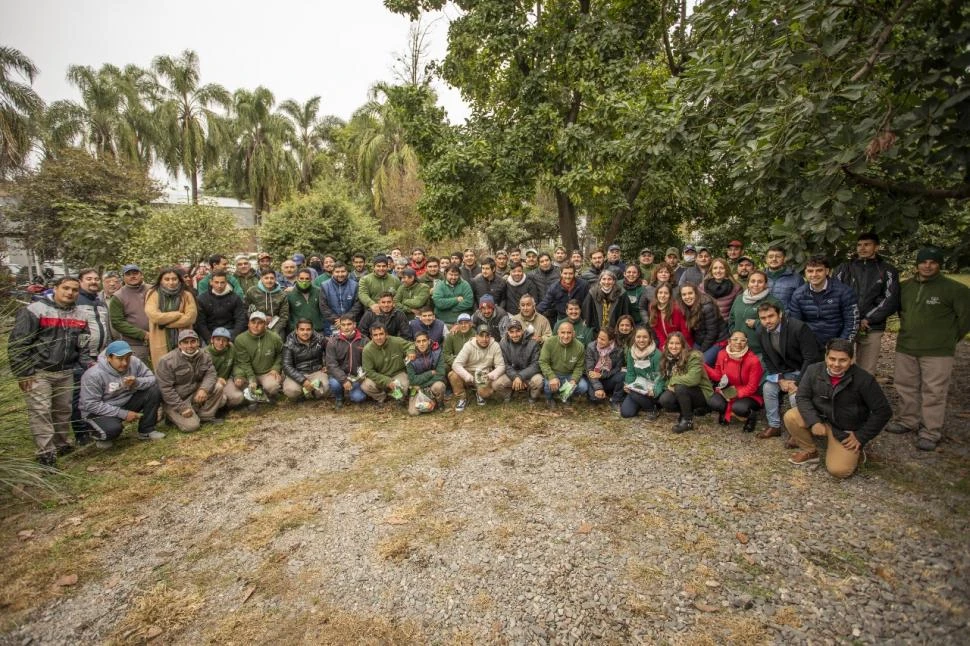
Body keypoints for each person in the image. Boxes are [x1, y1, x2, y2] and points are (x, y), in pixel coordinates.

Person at [887, 246, 970, 450]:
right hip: (907, 345)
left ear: (939, 265)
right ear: (917, 264)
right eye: (924, 262)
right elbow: (900, 311)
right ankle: (907, 420)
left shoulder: (955, 290)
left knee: (934, 391)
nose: (927, 266)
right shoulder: (905, 287)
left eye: (932, 262)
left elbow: (965, 320)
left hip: (938, 350)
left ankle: (930, 431)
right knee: (905, 386)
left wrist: (949, 338)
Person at [9, 276, 91, 465]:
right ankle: (46, 454)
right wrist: (23, 372)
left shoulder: (80, 314)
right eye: (65, 288)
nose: (70, 293)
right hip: (39, 371)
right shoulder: (35, 310)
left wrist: (86, 365)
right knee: (41, 411)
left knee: (63, 411)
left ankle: (62, 444)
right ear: (55, 288)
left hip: (66, 370)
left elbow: (83, 345)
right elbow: (18, 343)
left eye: (74, 290)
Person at [785, 339, 892, 476]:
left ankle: (856, 451)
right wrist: (814, 421)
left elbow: (883, 411)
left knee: (839, 471)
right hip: (821, 418)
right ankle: (810, 452)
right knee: (791, 416)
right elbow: (802, 397)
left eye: (843, 360)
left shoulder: (865, 379)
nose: (836, 364)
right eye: (832, 359)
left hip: (845, 429)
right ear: (826, 357)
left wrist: (861, 436)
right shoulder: (813, 370)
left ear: (852, 359)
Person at [833, 232, 901, 375]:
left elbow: (890, 299)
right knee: (839, 367)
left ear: (876, 247)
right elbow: (834, 295)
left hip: (872, 326)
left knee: (866, 371)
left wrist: (868, 318)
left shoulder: (887, 270)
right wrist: (849, 319)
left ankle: (862, 396)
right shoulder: (844, 269)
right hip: (844, 325)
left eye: (867, 245)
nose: (862, 248)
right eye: (859, 245)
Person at [755, 301, 822, 440]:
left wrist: (797, 383)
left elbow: (811, 358)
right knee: (768, 388)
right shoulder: (761, 331)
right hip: (783, 372)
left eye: (771, 316)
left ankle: (798, 431)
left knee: (795, 396)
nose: (767, 321)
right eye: (763, 318)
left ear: (780, 314)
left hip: (803, 371)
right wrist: (780, 379)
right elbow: (767, 359)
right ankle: (774, 426)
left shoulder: (798, 328)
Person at [79, 340, 163, 447]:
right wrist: (123, 414)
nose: (124, 363)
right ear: (109, 358)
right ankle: (99, 434)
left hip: (126, 401)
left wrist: (136, 382)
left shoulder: (134, 362)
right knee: (112, 430)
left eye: (127, 358)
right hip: (99, 412)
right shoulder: (93, 375)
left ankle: (146, 430)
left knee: (153, 390)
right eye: (119, 359)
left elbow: (152, 379)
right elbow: (91, 404)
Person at [155, 329, 224, 432]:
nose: (190, 345)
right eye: (185, 342)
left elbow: (211, 373)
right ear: (179, 345)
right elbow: (165, 389)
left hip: (194, 394)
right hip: (176, 400)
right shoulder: (166, 361)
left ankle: (205, 417)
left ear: (198, 342)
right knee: (192, 426)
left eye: (193, 341)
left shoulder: (204, 355)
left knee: (218, 386)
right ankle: (170, 416)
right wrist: (181, 408)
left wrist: (204, 389)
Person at [73, 269, 111, 445]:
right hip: (81, 356)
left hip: (101, 353)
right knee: (79, 396)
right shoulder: (75, 302)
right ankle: (81, 433)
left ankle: (98, 426)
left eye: (96, 279)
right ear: (80, 281)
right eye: (89, 279)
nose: (93, 282)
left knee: (98, 392)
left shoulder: (100, 302)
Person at [787, 255, 859, 345]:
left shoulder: (844, 292)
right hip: (809, 343)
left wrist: (841, 345)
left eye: (819, 270)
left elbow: (851, 323)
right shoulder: (798, 294)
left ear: (827, 271)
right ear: (805, 272)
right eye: (810, 271)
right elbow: (796, 324)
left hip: (837, 342)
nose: (814, 275)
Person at [705, 331, 764, 432]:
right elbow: (718, 376)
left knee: (739, 408)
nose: (738, 342)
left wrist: (733, 394)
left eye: (742, 340)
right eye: (735, 339)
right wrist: (704, 366)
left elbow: (752, 387)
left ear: (746, 343)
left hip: (749, 394)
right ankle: (725, 411)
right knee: (713, 401)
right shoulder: (722, 354)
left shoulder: (753, 360)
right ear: (729, 341)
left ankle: (750, 416)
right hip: (727, 389)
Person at [655, 332, 713, 433]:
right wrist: (669, 385)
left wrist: (673, 381)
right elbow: (664, 379)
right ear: (667, 344)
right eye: (671, 343)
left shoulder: (693, 356)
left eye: (677, 343)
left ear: (683, 345)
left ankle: (687, 421)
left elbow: (693, 379)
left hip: (700, 392)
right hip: (682, 390)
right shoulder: (667, 358)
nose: (674, 346)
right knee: (665, 400)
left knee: (680, 387)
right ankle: (685, 411)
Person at [145, 267, 198, 367]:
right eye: (167, 279)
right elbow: (154, 316)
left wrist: (165, 323)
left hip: (183, 337)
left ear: (179, 280)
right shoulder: (152, 294)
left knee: (184, 369)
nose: (171, 282)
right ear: (160, 280)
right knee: (163, 368)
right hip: (159, 337)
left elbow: (191, 317)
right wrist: (177, 314)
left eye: (174, 279)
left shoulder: (186, 295)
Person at [450, 323, 510, 410]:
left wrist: (490, 376)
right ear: (476, 336)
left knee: (485, 393)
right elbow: (456, 364)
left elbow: (501, 365)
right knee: (453, 375)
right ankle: (462, 398)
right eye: (481, 336)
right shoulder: (468, 345)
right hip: (468, 372)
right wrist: (467, 376)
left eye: (487, 336)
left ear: (490, 336)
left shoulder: (495, 345)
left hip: (484, 374)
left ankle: (479, 393)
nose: (484, 339)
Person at [232, 311, 284, 400]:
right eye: (253, 322)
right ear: (248, 324)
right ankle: (252, 397)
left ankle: (266, 393)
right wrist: (252, 379)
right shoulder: (240, 339)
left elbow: (281, 353)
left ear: (265, 325)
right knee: (239, 383)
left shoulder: (275, 337)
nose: (256, 326)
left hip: (267, 372)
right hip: (247, 372)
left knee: (273, 387)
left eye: (260, 323)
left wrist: (276, 368)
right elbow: (244, 363)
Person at [727, 270, 780, 357]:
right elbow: (732, 318)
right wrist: (734, 332)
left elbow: (780, 324)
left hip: (760, 351)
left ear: (765, 284)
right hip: (738, 347)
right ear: (748, 283)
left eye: (760, 282)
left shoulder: (772, 302)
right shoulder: (739, 299)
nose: (756, 284)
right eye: (753, 281)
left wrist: (757, 323)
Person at [538, 321, 588, 409]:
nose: (566, 336)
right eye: (563, 332)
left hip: (569, 375)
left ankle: (564, 396)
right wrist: (551, 377)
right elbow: (543, 362)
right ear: (558, 333)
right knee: (547, 385)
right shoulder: (550, 342)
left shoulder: (579, 346)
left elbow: (579, 367)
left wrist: (574, 380)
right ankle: (549, 399)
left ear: (573, 334)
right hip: (554, 372)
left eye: (569, 333)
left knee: (583, 386)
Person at [108, 264, 151, 364]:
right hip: (135, 345)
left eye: (135, 273)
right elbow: (117, 322)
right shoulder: (118, 297)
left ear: (141, 275)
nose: (132, 276)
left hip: (158, 341)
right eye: (128, 274)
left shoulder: (153, 290)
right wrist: (143, 334)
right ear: (123, 278)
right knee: (138, 373)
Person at [678, 283, 728, 366]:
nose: (687, 297)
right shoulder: (686, 307)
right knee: (686, 360)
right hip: (701, 340)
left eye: (690, 293)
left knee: (700, 363)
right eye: (684, 295)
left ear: (696, 293)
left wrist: (701, 351)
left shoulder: (707, 307)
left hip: (718, 340)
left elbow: (712, 333)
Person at [361, 323, 412, 404]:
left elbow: (411, 345)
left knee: (405, 384)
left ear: (386, 334)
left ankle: (399, 398)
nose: (379, 337)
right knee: (366, 386)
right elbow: (369, 371)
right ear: (371, 337)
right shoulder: (367, 350)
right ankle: (383, 397)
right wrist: (387, 381)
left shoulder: (397, 341)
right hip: (379, 375)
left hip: (397, 373)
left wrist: (411, 351)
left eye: (381, 334)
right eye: (375, 335)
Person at [325, 314, 368, 408]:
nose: (346, 327)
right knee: (334, 384)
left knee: (358, 398)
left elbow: (368, 362)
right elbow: (331, 364)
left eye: (349, 324)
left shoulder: (364, 340)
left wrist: (362, 377)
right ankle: (339, 398)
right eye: (343, 325)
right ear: (339, 326)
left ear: (354, 325)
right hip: (339, 376)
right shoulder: (333, 341)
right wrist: (344, 380)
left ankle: (355, 392)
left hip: (357, 377)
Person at [620, 327, 663, 419]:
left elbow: (661, 377)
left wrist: (655, 390)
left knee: (635, 393)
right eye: (638, 337)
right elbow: (630, 372)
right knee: (626, 413)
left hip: (652, 386)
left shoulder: (657, 354)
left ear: (650, 338)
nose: (641, 340)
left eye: (645, 337)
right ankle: (641, 403)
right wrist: (628, 384)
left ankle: (652, 408)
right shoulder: (631, 352)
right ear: (634, 338)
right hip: (638, 385)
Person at [281, 319, 330, 401]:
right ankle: (302, 395)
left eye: (308, 329)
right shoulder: (289, 344)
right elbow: (286, 366)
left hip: (316, 371)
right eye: (302, 329)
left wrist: (327, 365)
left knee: (326, 387)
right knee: (290, 391)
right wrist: (303, 381)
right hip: (298, 373)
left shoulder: (320, 339)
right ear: (296, 331)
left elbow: (330, 352)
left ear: (312, 330)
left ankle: (313, 394)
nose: (305, 332)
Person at [499, 319, 544, 404]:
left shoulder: (533, 342)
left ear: (522, 331)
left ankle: (532, 396)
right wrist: (516, 377)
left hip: (528, 375)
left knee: (539, 380)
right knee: (496, 383)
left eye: (518, 331)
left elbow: (536, 364)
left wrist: (521, 376)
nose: (515, 335)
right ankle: (509, 394)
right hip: (512, 375)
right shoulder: (503, 343)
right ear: (508, 332)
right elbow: (505, 364)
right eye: (511, 332)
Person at [195, 270, 247, 342]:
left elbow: (240, 320)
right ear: (211, 282)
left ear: (226, 282)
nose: (219, 285)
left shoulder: (235, 298)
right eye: (216, 282)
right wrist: (209, 339)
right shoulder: (202, 298)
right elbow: (200, 322)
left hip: (230, 331)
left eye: (222, 282)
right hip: (210, 332)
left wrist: (233, 338)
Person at [406, 330, 446, 415]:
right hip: (417, 389)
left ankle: (439, 403)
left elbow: (440, 373)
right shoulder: (410, 358)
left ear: (428, 341)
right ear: (415, 343)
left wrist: (422, 385)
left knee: (439, 386)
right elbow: (412, 380)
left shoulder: (437, 353)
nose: (421, 344)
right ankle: (429, 400)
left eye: (424, 341)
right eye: (418, 341)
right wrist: (430, 373)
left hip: (430, 385)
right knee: (413, 412)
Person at [585, 327, 626, 406]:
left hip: (608, 377)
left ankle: (616, 400)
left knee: (622, 375)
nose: (599, 341)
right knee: (595, 399)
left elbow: (617, 369)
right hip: (594, 378)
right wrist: (598, 388)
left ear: (611, 341)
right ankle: (599, 391)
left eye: (603, 339)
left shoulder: (618, 350)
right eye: (599, 337)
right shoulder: (591, 347)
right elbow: (589, 370)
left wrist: (602, 375)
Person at [319, 262, 362, 335]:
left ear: (347, 272)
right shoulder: (325, 286)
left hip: (350, 323)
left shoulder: (355, 285)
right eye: (337, 272)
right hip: (332, 324)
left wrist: (346, 319)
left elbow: (358, 304)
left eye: (343, 271)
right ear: (333, 272)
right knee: (332, 344)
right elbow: (323, 306)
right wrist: (337, 320)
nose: (340, 274)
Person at [647, 283, 693, 351]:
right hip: (666, 343)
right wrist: (664, 344)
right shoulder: (653, 307)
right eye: (660, 292)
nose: (663, 295)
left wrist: (676, 346)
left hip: (681, 343)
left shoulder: (677, 309)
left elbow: (685, 332)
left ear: (670, 295)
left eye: (666, 293)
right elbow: (658, 331)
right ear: (656, 294)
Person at [206, 327, 244, 409]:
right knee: (222, 400)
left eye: (224, 340)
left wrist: (238, 376)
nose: (221, 343)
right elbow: (202, 375)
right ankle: (215, 407)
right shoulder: (205, 353)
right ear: (212, 340)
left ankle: (225, 408)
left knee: (238, 397)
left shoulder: (231, 349)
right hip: (211, 383)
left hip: (226, 380)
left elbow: (236, 364)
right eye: (218, 339)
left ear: (228, 342)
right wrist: (216, 379)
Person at [245, 269, 289, 336]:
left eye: (272, 278)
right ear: (261, 279)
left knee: (277, 338)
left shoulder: (282, 294)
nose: (269, 281)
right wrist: (256, 321)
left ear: (275, 279)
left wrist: (275, 330)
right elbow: (245, 308)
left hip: (275, 325)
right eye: (266, 278)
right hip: (256, 323)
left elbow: (284, 315)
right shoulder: (252, 291)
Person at [286, 268, 325, 334]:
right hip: (298, 331)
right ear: (297, 279)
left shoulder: (318, 291)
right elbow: (287, 314)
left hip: (317, 330)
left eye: (307, 279)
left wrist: (321, 324)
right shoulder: (289, 294)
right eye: (301, 278)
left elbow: (324, 309)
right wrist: (292, 327)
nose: (304, 281)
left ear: (311, 279)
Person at [764, 245, 803, 310]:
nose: (774, 259)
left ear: (784, 258)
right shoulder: (759, 277)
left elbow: (802, 303)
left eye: (778, 256)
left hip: (787, 318)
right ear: (766, 259)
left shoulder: (796, 278)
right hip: (763, 318)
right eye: (770, 257)